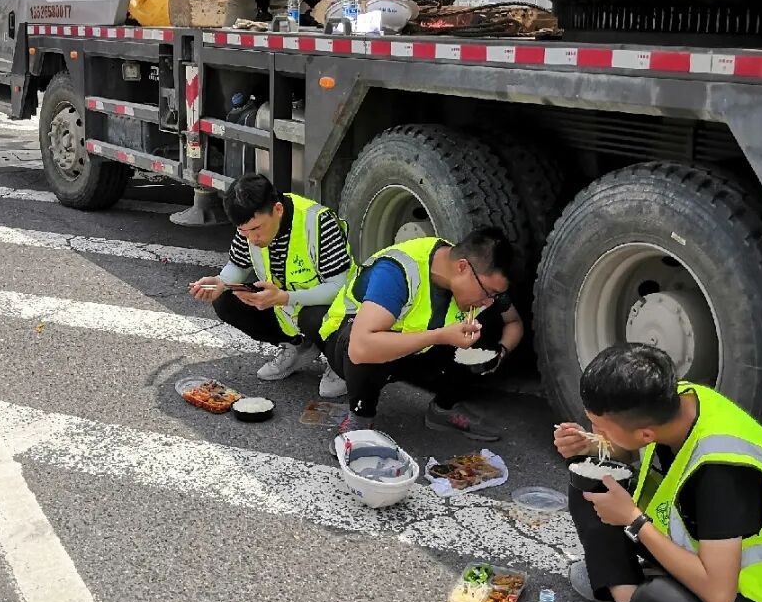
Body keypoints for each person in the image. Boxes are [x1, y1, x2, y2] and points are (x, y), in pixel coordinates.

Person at [555, 343, 762, 602]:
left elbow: (720, 597)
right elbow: (629, 449)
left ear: (645, 434)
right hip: (705, 553)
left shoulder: (721, 473)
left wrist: (633, 520)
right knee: (591, 480)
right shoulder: (676, 398)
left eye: (600, 427)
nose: (595, 431)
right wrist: (589, 448)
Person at [317, 227, 524, 444]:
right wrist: (440, 336)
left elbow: (514, 323)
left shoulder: (478, 279)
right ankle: (360, 418)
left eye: (495, 295)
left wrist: (500, 352)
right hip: (348, 349)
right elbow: (361, 348)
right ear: (462, 267)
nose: (488, 301)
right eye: (488, 292)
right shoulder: (398, 271)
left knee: (485, 331)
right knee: (370, 341)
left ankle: (444, 408)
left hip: (413, 352)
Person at [189, 174, 353, 397]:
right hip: (285, 304)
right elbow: (238, 265)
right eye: (244, 232)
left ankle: (338, 361)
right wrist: (220, 282)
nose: (252, 238)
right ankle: (298, 347)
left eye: (257, 229)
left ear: (278, 209)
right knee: (225, 299)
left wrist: (285, 298)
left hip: (335, 309)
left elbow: (338, 287)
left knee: (312, 317)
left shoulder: (319, 222)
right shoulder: (249, 225)